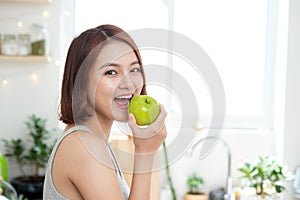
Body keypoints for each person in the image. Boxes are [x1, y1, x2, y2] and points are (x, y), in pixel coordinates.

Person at [43, 24, 167, 200]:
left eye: (134, 69)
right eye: (111, 72)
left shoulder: (94, 141)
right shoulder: (83, 145)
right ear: (81, 83)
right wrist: (145, 154)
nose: (129, 84)